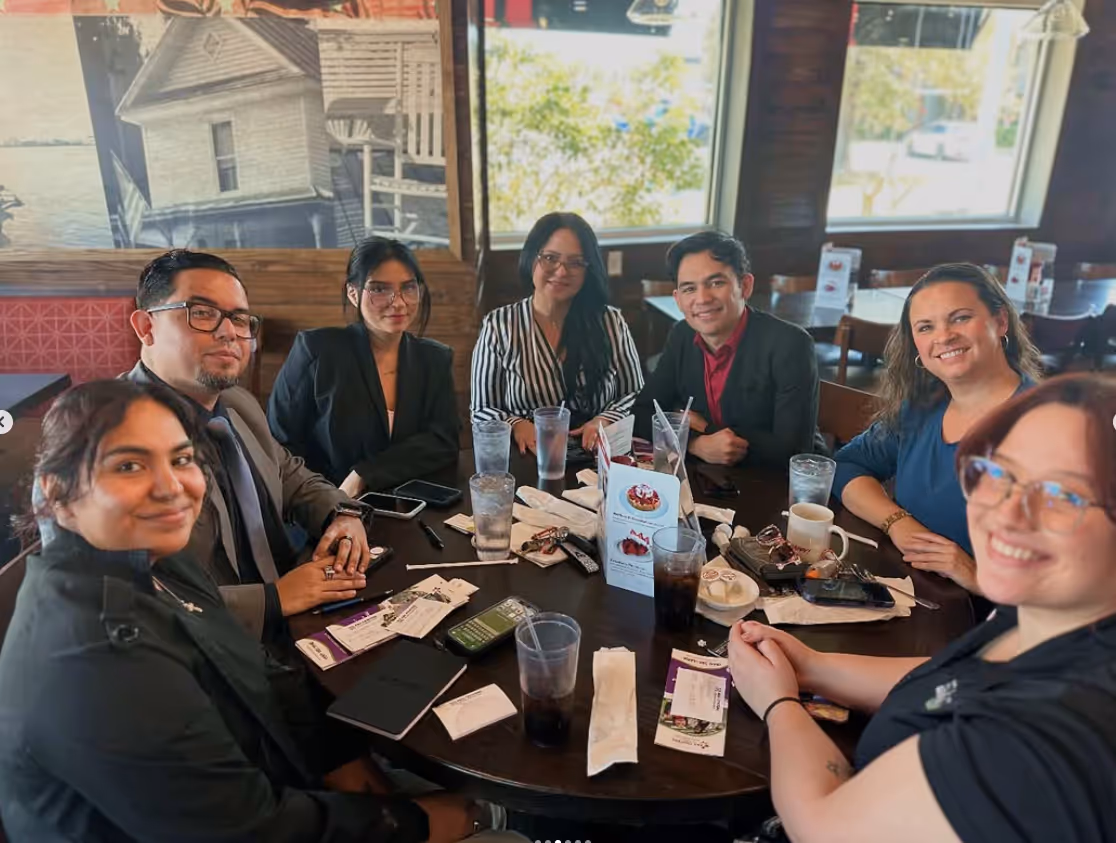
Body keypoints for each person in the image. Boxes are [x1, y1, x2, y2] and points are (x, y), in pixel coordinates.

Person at [0, 380, 521, 843]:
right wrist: (416, 824)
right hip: (253, 815)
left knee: (487, 799)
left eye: (181, 459)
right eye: (129, 465)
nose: (171, 486)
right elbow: (247, 828)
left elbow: (261, 674)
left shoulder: (149, 557)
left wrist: (342, 760)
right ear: (57, 495)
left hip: (275, 778)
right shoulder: (95, 656)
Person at [726, 373, 1116, 843]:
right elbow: (956, 679)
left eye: (1060, 497)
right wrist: (812, 666)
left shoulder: (1040, 740)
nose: (1005, 514)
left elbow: (821, 824)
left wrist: (778, 701)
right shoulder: (1051, 614)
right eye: (998, 474)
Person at [127, 249, 372, 638]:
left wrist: (340, 514)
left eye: (239, 319)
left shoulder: (236, 402)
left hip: (299, 615)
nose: (228, 332)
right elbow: (133, 604)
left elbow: (289, 473)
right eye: (203, 313)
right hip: (211, 662)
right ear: (146, 326)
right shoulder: (111, 444)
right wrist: (274, 599)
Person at [832, 263, 1041, 593]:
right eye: (926, 327)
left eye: (960, 318)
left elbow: (1082, 582)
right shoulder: (922, 407)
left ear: (1000, 321)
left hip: (993, 622)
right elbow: (846, 466)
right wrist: (898, 522)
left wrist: (973, 574)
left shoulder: (1049, 427)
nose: (943, 336)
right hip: (912, 594)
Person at [268, 237, 459, 496]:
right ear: (353, 293)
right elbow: (280, 445)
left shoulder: (435, 359)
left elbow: (444, 440)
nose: (399, 302)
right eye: (380, 289)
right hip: (323, 511)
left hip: (412, 509)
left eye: (408, 287)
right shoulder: (317, 351)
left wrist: (365, 474)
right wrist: (324, 501)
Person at [633, 230, 826, 466]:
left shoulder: (790, 344)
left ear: (745, 286)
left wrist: (705, 427)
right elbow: (643, 413)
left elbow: (792, 450)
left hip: (779, 486)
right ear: (678, 299)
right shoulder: (682, 333)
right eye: (689, 288)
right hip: (711, 480)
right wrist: (694, 444)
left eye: (716, 283)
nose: (702, 298)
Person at [470, 212, 644, 454]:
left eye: (575, 262)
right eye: (550, 258)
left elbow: (636, 392)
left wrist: (606, 419)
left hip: (598, 460)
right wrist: (516, 424)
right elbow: (481, 409)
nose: (562, 272)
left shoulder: (610, 321)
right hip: (528, 460)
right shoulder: (499, 326)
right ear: (531, 259)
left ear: (588, 269)